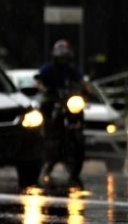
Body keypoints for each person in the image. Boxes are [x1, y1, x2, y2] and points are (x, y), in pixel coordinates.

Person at [33, 40, 92, 185]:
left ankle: (77, 132)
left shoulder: (72, 69)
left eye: (65, 57)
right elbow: (38, 81)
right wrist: (43, 88)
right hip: (52, 101)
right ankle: (46, 138)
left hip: (67, 101)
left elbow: (82, 81)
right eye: (60, 57)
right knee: (45, 117)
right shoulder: (48, 69)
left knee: (79, 111)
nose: (62, 60)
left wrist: (88, 91)